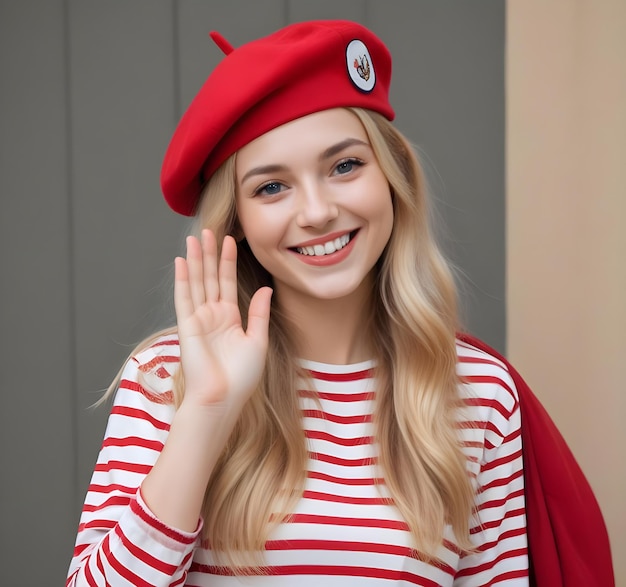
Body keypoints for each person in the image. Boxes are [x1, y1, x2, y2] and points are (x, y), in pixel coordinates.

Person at [67, 20, 613, 587]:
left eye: (345, 165)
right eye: (271, 187)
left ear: (393, 180)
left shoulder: (479, 393)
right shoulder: (165, 380)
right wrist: (206, 412)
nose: (318, 211)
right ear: (239, 223)